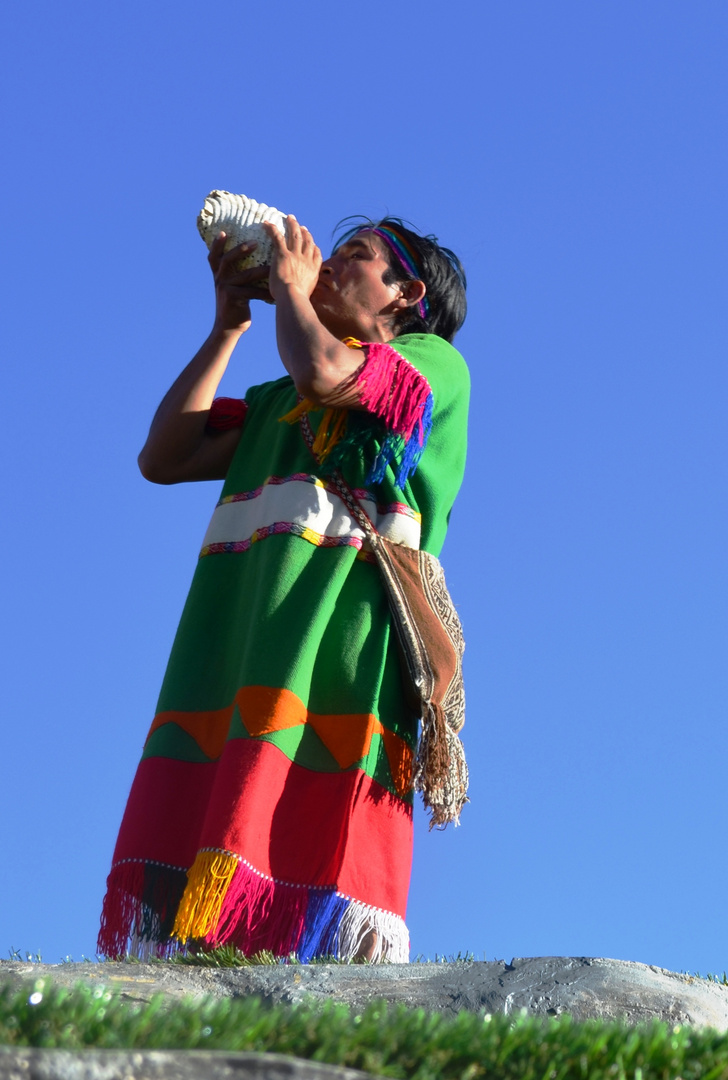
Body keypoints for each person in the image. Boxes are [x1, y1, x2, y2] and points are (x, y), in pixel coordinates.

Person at [97, 213, 470, 961]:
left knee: (315, 803)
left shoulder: (431, 363)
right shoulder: (276, 395)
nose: (326, 266)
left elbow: (328, 374)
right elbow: (164, 454)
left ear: (405, 293)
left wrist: (294, 291)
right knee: (227, 784)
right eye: (323, 258)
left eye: (353, 257)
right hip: (246, 627)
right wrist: (229, 323)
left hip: (341, 630)